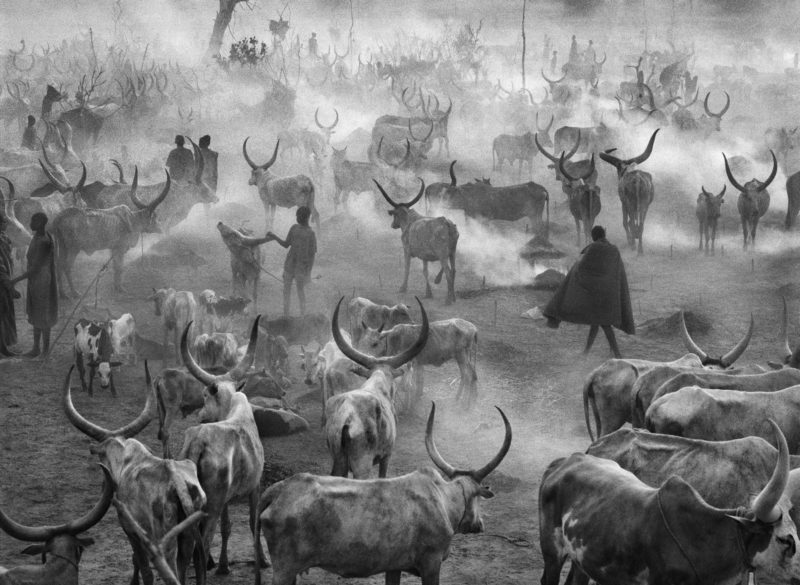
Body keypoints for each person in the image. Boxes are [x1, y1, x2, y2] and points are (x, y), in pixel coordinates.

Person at [543, 225, 634, 358]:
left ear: (593, 236)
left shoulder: (593, 248)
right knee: (595, 323)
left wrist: (576, 280)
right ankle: (587, 352)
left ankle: (617, 353)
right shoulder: (614, 250)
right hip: (609, 294)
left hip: (596, 294)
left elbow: (582, 268)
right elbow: (617, 272)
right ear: (604, 234)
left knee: (604, 324)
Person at [9, 212, 58, 358]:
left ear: (40, 223)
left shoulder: (43, 241)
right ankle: (36, 348)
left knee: (43, 315)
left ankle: (44, 350)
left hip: (42, 281)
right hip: (38, 281)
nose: (30, 223)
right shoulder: (41, 235)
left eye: (33, 221)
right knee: (38, 314)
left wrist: (15, 280)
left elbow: (35, 268)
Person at [266, 206, 317, 317]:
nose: (297, 217)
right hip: (289, 265)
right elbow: (286, 244)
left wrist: (308, 273)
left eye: (299, 216)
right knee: (286, 291)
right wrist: (274, 237)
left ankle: (302, 315)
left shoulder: (311, 234)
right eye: (297, 215)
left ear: (306, 217)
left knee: (300, 291)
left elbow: (312, 255)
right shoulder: (294, 228)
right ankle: (286, 315)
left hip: (301, 268)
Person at [0, 213, 20, 357]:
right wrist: (10, 286)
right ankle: (2, 347)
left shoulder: (4, 238)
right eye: (4, 223)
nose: (6, 226)